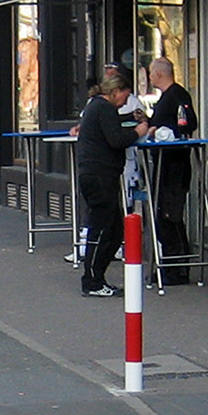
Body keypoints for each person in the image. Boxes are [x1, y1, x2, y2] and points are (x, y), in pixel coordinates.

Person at [74, 69, 141, 298]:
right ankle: (92, 280)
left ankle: (96, 277)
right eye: (124, 96)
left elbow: (112, 125)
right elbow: (116, 139)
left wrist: (130, 118)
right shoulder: (103, 107)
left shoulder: (98, 107)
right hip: (100, 175)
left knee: (113, 228)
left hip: (96, 174)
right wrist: (138, 130)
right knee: (105, 228)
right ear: (115, 92)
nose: (125, 102)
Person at [133, 56, 199, 258]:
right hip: (163, 164)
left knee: (169, 214)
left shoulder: (177, 95)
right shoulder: (166, 97)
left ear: (159, 73)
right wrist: (148, 120)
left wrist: (158, 130)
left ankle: (177, 264)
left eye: (151, 72)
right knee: (162, 213)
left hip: (174, 165)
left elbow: (187, 124)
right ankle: (171, 261)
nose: (149, 77)